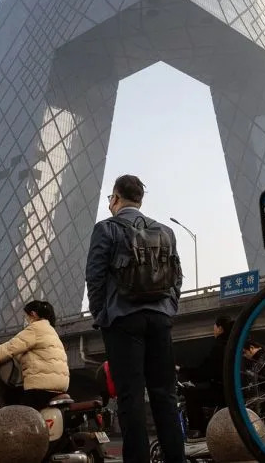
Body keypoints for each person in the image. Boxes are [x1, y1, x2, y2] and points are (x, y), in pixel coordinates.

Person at [85, 174, 185, 463]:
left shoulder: (106, 229)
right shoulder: (166, 231)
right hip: (159, 320)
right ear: (140, 200)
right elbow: (177, 277)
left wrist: (101, 315)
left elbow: (95, 276)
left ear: (116, 198)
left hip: (123, 320)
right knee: (165, 396)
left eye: (110, 199)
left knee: (130, 398)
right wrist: (168, 309)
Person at [0, 300, 70, 411]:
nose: (26, 320)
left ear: (33, 314)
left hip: (41, 387)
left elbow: (11, 347)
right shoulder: (51, 331)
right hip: (60, 386)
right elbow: (35, 353)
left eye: (26, 316)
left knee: (15, 407)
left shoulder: (35, 329)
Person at [182, 315, 232, 438]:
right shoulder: (233, 344)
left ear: (220, 328)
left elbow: (206, 371)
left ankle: (199, 430)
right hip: (232, 388)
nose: (213, 330)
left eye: (214, 327)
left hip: (223, 392)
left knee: (191, 394)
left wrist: (185, 371)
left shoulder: (219, 347)